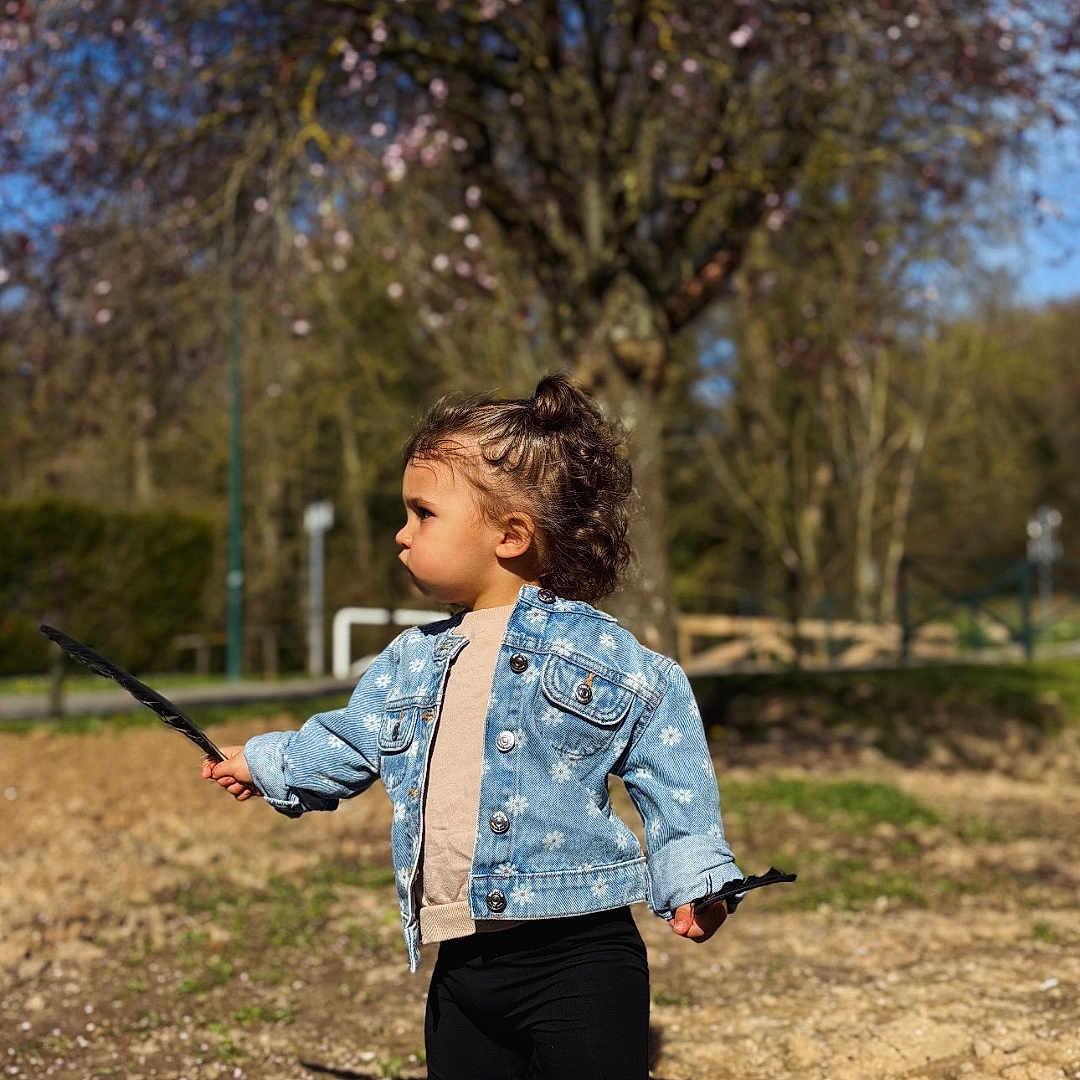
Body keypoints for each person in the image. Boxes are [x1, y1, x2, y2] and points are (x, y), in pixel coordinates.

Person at [202, 370, 744, 1080]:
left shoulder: (599, 652)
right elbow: (347, 741)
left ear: (510, 535)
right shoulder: (410, 660)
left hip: (579, 957)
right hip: (462, 958)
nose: (401, 535)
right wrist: (267, 762)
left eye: (422, 514)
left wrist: (695, 874)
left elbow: (668, 760)